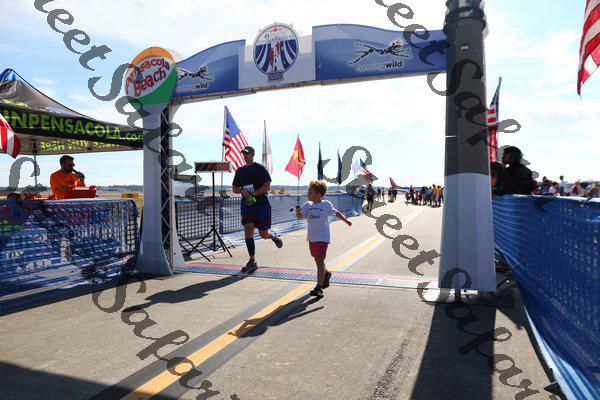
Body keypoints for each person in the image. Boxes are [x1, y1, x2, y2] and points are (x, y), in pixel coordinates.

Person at [295, 180, 352, 298]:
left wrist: (345, 220)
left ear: (319, 194)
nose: (308, 194)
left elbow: (336, 213)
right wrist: (298, 212)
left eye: (310, 192)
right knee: (317, 261)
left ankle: (318, 288)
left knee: (319, 262)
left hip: (322, 237)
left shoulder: (326, 204)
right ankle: (326, 274)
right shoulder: (307, 205)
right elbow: (300, 216)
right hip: (312, 237)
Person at [231, 146, 283, 273]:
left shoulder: (260, 169)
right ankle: (252, 260)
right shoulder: (240, 171)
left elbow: (267, 187)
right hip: (247, 205)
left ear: (253, 154)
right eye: (244, 154)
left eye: (247, 153)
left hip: (261, 205)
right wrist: (242, 190)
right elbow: (234, 188)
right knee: (248, 229)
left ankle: (272, 236)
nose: (245, 156)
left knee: (263, 234)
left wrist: (253, 194)